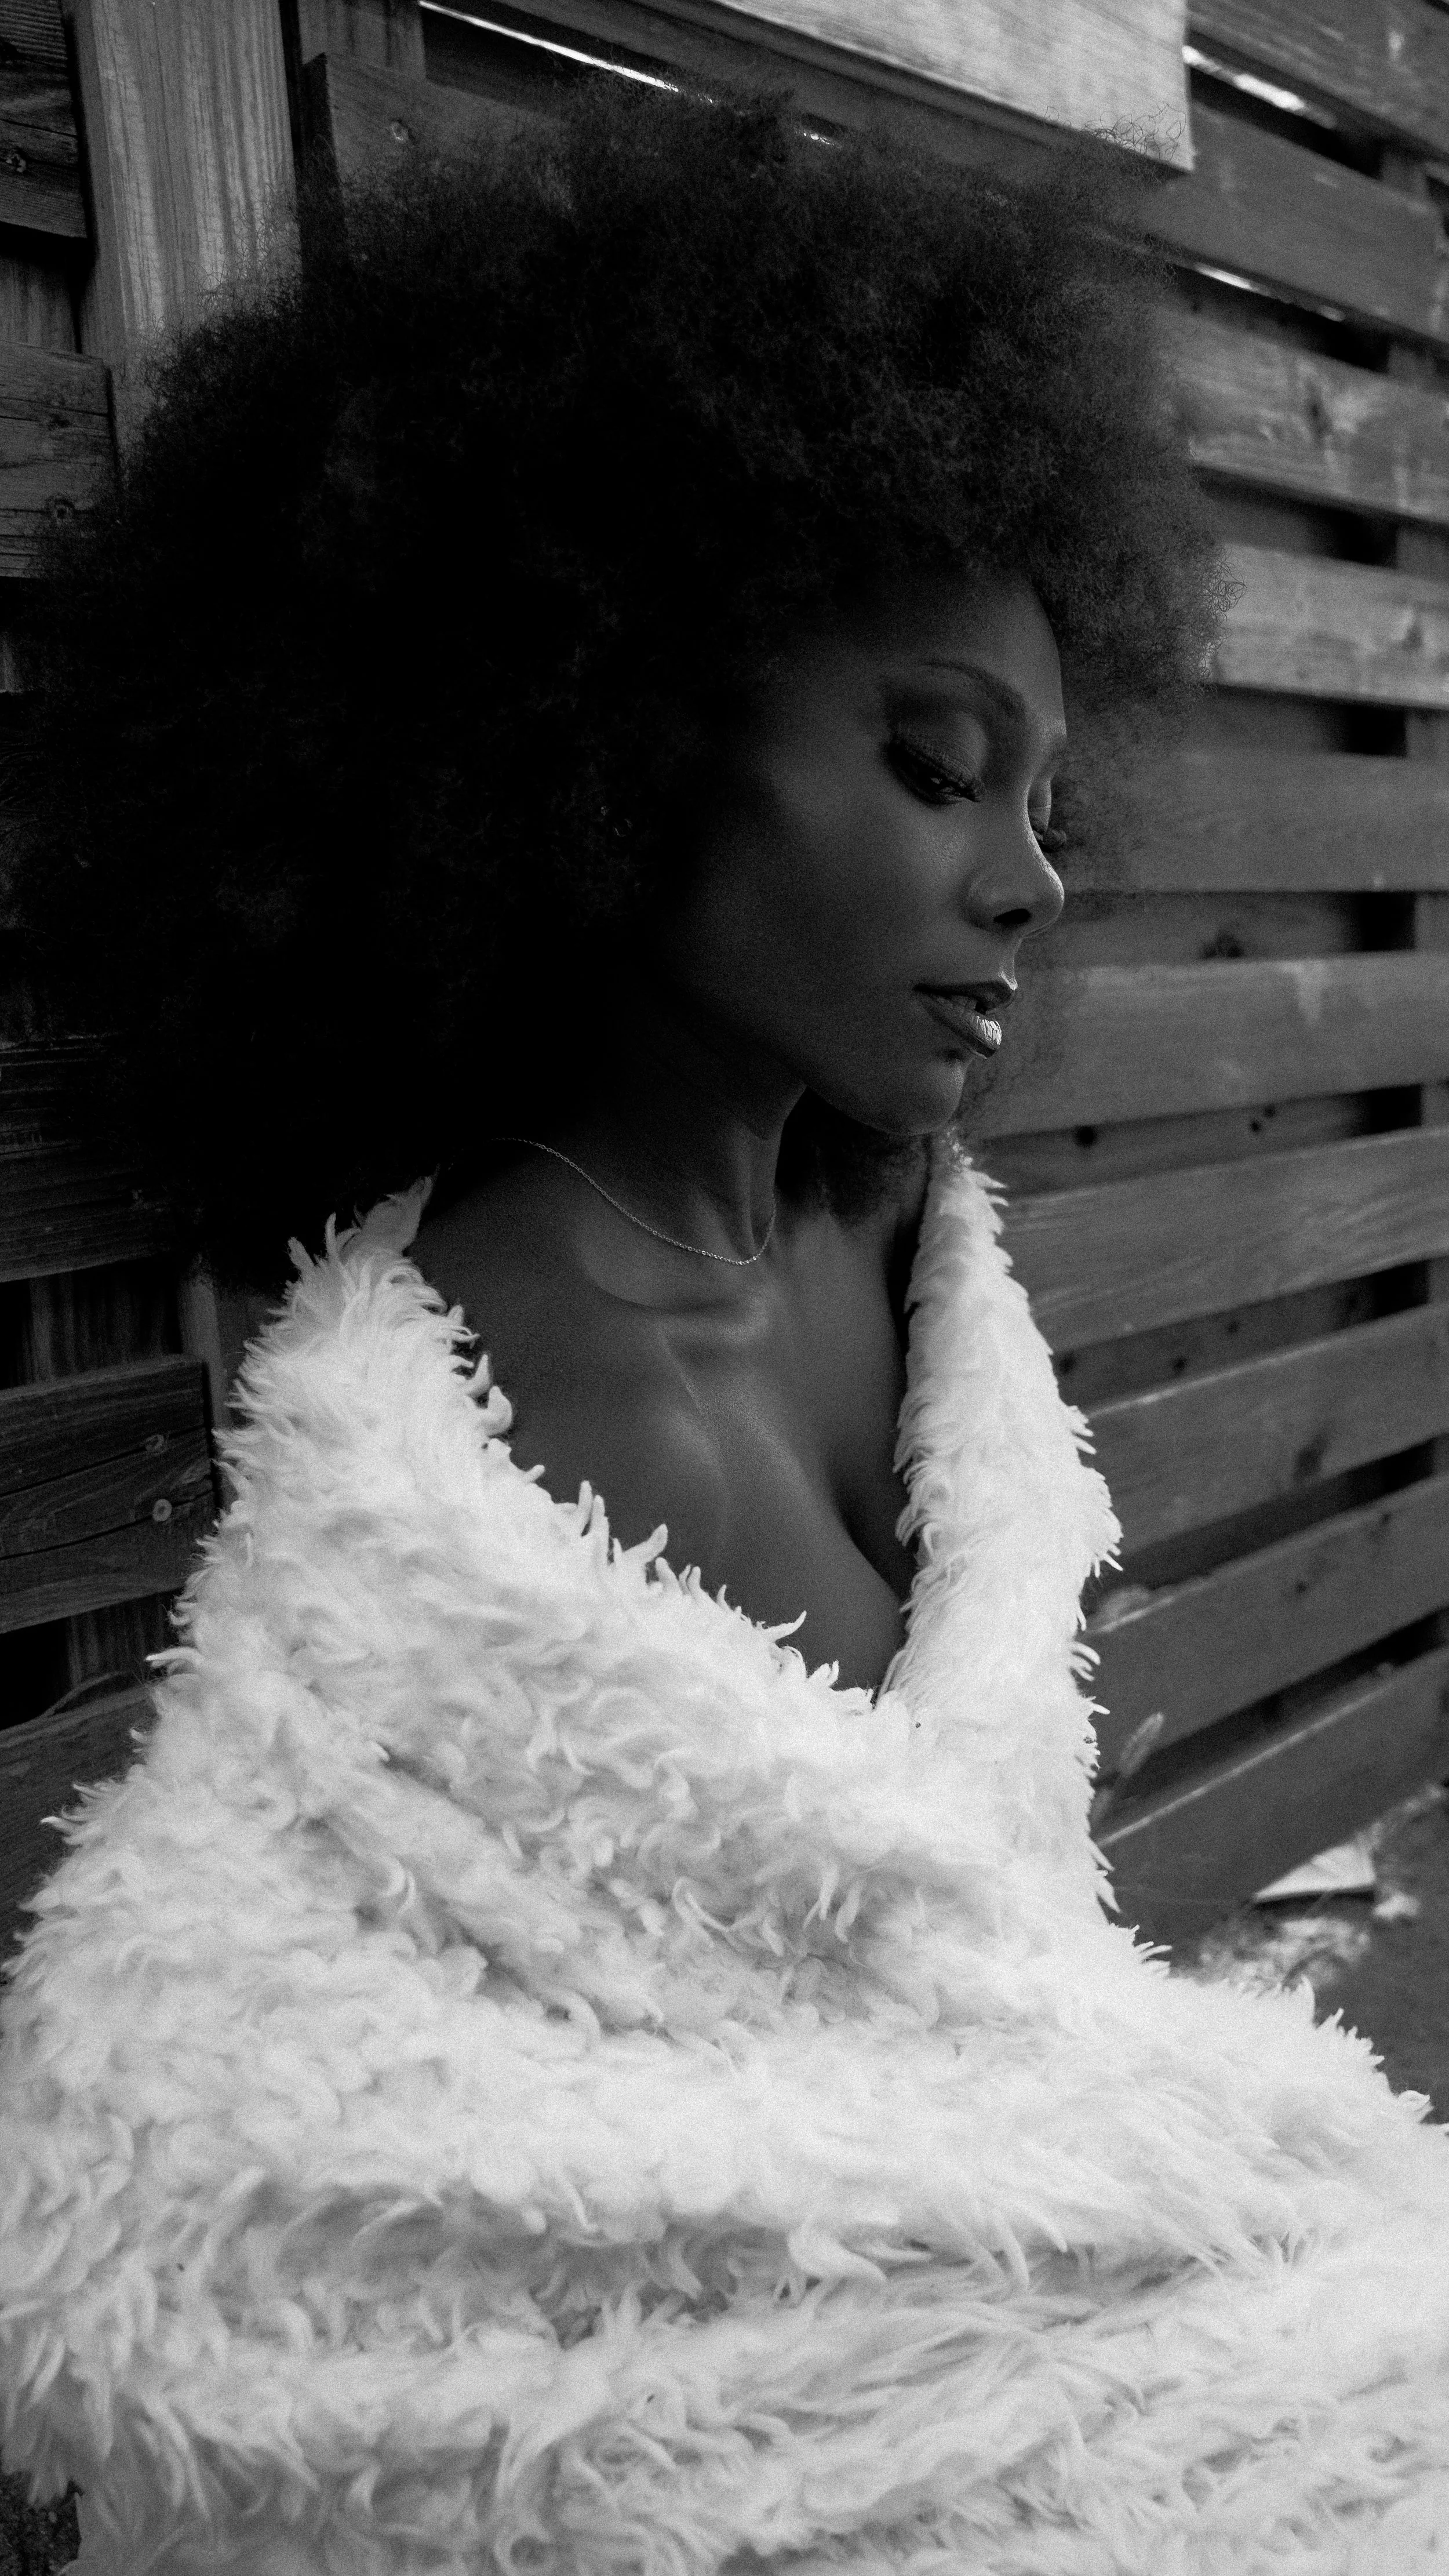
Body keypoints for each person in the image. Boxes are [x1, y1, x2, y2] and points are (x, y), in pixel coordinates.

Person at [1, 74, 1446, 2576]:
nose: (1030, 878)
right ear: (604, 745)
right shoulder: (530, 1374)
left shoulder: (887, 1241)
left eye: (1041, 795)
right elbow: (595, 2136)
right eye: (933, 768)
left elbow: (953, 1982)